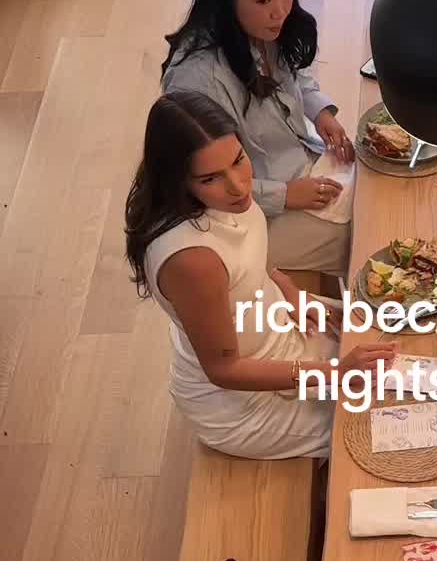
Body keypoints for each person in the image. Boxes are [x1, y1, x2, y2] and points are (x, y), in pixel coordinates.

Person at [125, 93, 384, 461]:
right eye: (210, 178)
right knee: (379, 429)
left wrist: (290, 293)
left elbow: (248, 262)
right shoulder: (192, 260)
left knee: (392, 336)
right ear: (177, 181)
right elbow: (224, 370)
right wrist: (335, 372)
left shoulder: (226, 202)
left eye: (238, 160)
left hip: (281, 331)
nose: (238, 186)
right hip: (244, 402)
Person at [161, 0, 355, 277]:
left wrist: (320, 112)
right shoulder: (197, 80)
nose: (280, 11)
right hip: (251, 213)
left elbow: (293, 75)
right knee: (362, 238)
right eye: (263, 0)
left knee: (379, 183)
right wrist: (284, 194)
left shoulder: (258, 28)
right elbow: (202, 182)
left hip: (304, 168)